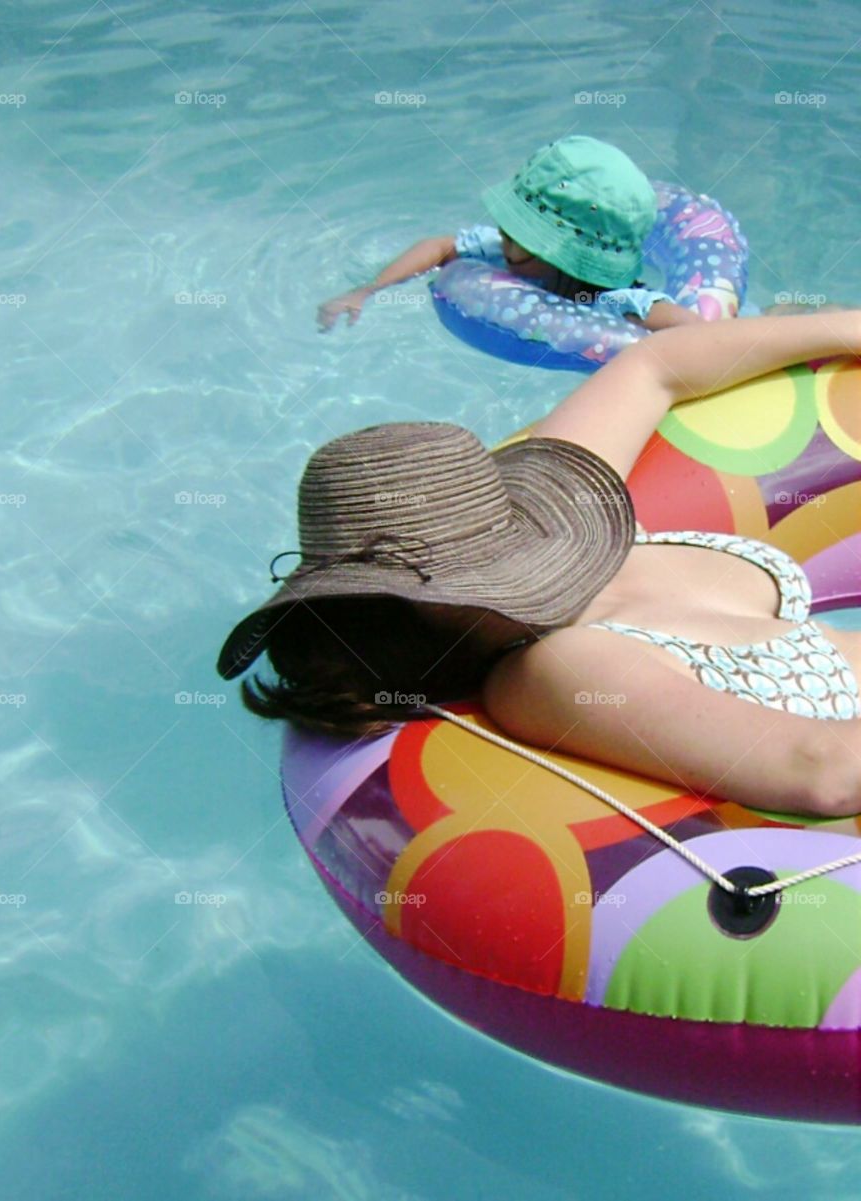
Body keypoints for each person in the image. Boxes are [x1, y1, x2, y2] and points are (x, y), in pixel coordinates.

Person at [218, 309, 861, 819]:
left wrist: (844, 326)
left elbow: (654, 364)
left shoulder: (564, 526)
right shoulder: (559, 671)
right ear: (452, 599)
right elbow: (823, 773)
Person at [317, 136, 703, 334]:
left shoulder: (613, 302)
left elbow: (693, 330)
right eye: (506, 230)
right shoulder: (505, 253)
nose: (503, 242)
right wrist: (367, 290)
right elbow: (440, 246)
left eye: (516, 236)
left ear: (556, 255)